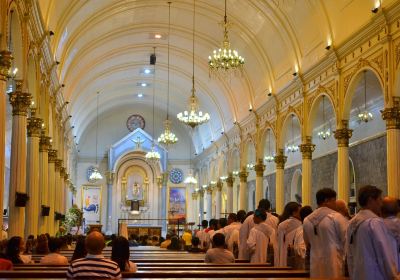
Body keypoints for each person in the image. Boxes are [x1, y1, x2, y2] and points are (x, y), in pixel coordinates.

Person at [346, 186, 400, 280]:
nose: (381, 204)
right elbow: (384, 252)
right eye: (379, 199)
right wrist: (393, 275)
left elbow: (349, 254)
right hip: (375, 275)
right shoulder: (374, 222)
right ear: (371, 200)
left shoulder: (352, 223)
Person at [303, 188, 348, 278]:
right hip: (334, 260)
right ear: (326, 201)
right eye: (334, 200)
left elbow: (307, 242)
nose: (335, 204)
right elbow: (346, 239)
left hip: (315, 260)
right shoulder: (336, 217)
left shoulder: (307, 220)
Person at [276, 202, 302, 267]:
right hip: (294, 254)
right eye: (300, 212)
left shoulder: (281, 224)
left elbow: (279, 244)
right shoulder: (301, 224)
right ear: (294, 213)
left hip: (283, 255)